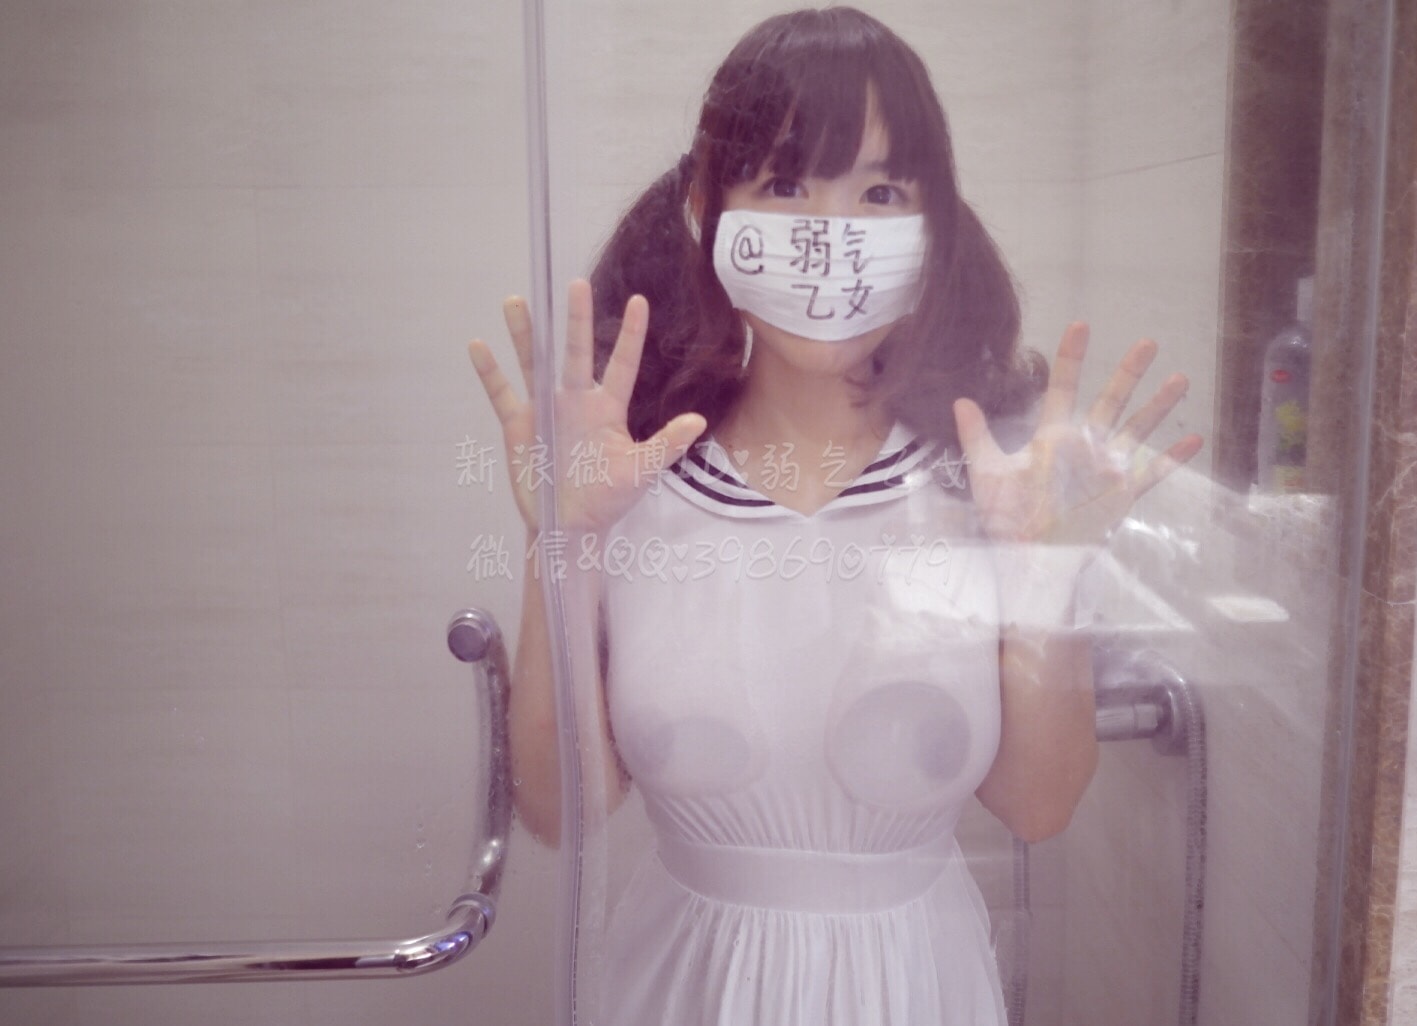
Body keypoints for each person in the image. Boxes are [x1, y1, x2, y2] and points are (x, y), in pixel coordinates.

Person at [468, 8, 1201, 1024]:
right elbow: (560, 810)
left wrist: (1047, 574)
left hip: (919, 988)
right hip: (679, 989)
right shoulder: (635, 484)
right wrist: (562, 539)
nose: (833, 233)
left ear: (933, 226)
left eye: (881, 192)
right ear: (706, 210)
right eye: (784, 184)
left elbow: (1039, 805)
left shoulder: (983, 485)